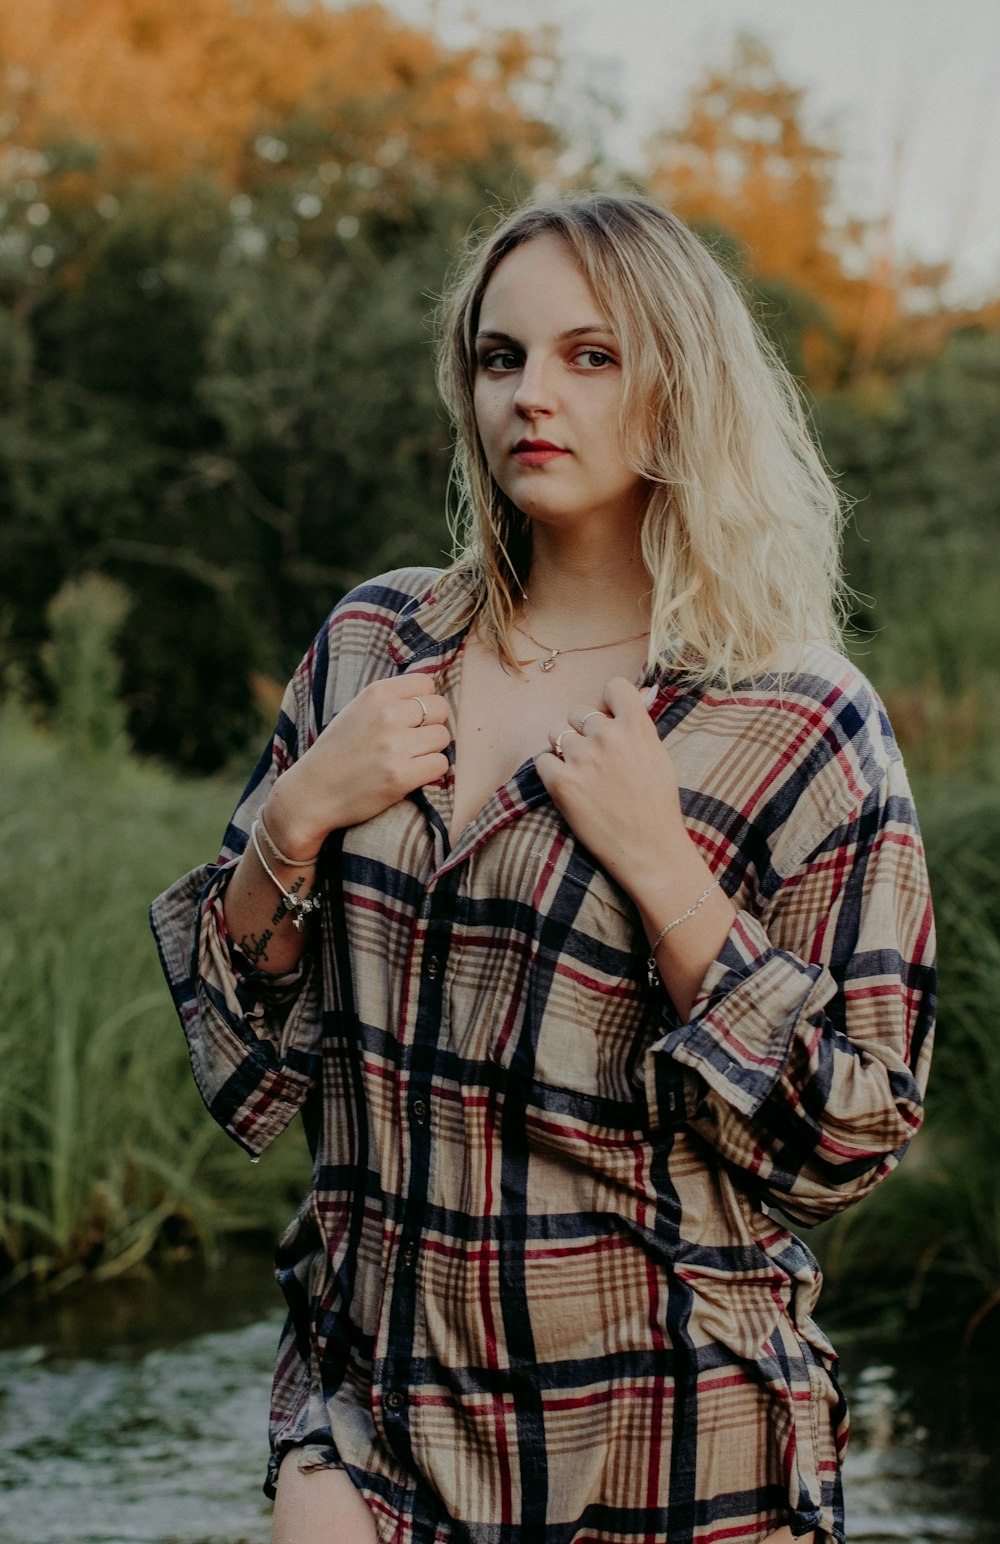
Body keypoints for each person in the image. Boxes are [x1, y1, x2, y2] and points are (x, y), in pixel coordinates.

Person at [151, 193, 935, 1544]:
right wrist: (294, 818)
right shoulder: (374, 645)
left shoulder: (798, 720)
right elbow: (244, 1061)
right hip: (375, 1405)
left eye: (591, 355)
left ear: (677, 383)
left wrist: (664, 871)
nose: (531, 394)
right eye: (499, 357)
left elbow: (847, 1141)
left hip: (671, 1444)